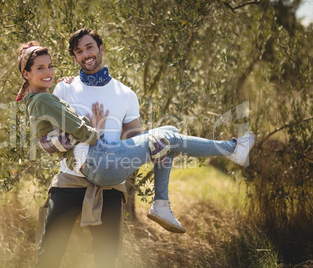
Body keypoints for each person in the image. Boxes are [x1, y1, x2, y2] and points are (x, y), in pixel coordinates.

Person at [16, 31, 255, 267]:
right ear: (74, 58)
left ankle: (162, 202)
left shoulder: (126, 95)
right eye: (78, 51)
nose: (85, 54)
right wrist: (93, 131)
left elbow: (135, 139)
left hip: (109, 180)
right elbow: (47, 141)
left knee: (106, 259)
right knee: (49, 255)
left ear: (101, 48)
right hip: (70, 181)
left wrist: (123, 143)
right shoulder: (63, 88)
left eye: (89, 47)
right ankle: (224, 154)